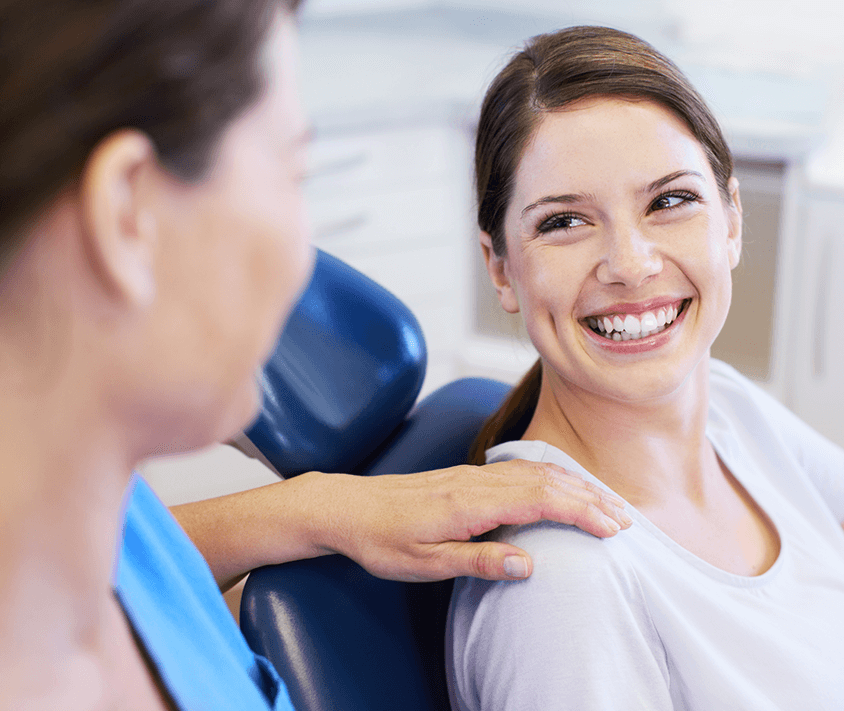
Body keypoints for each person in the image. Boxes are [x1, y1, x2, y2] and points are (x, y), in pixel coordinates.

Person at [0, 2, 634, 708]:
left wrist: (316, 508)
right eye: (290, 175)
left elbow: (144, 557)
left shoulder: (98, 515)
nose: (306, 265)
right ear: (128, 215)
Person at [446, 25, 844, 711]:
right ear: (501, 268)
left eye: (669, 201)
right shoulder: (562, 586)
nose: (631, 264)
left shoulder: (729, 410)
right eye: (565, 221)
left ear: (731, 220)